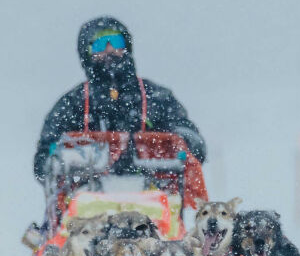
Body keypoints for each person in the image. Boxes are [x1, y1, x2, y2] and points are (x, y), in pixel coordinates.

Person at [33, 16, 206, 183]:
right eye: (100, 45)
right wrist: (56, 162)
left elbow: (190, 138)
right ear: (87, 54)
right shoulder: (73, 104)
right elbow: (44, 158)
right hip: (87, 194)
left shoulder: (156, 97)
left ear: (126, 48)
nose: (109, 50)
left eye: (116, 42)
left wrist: (183, 142)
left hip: (153, 190)